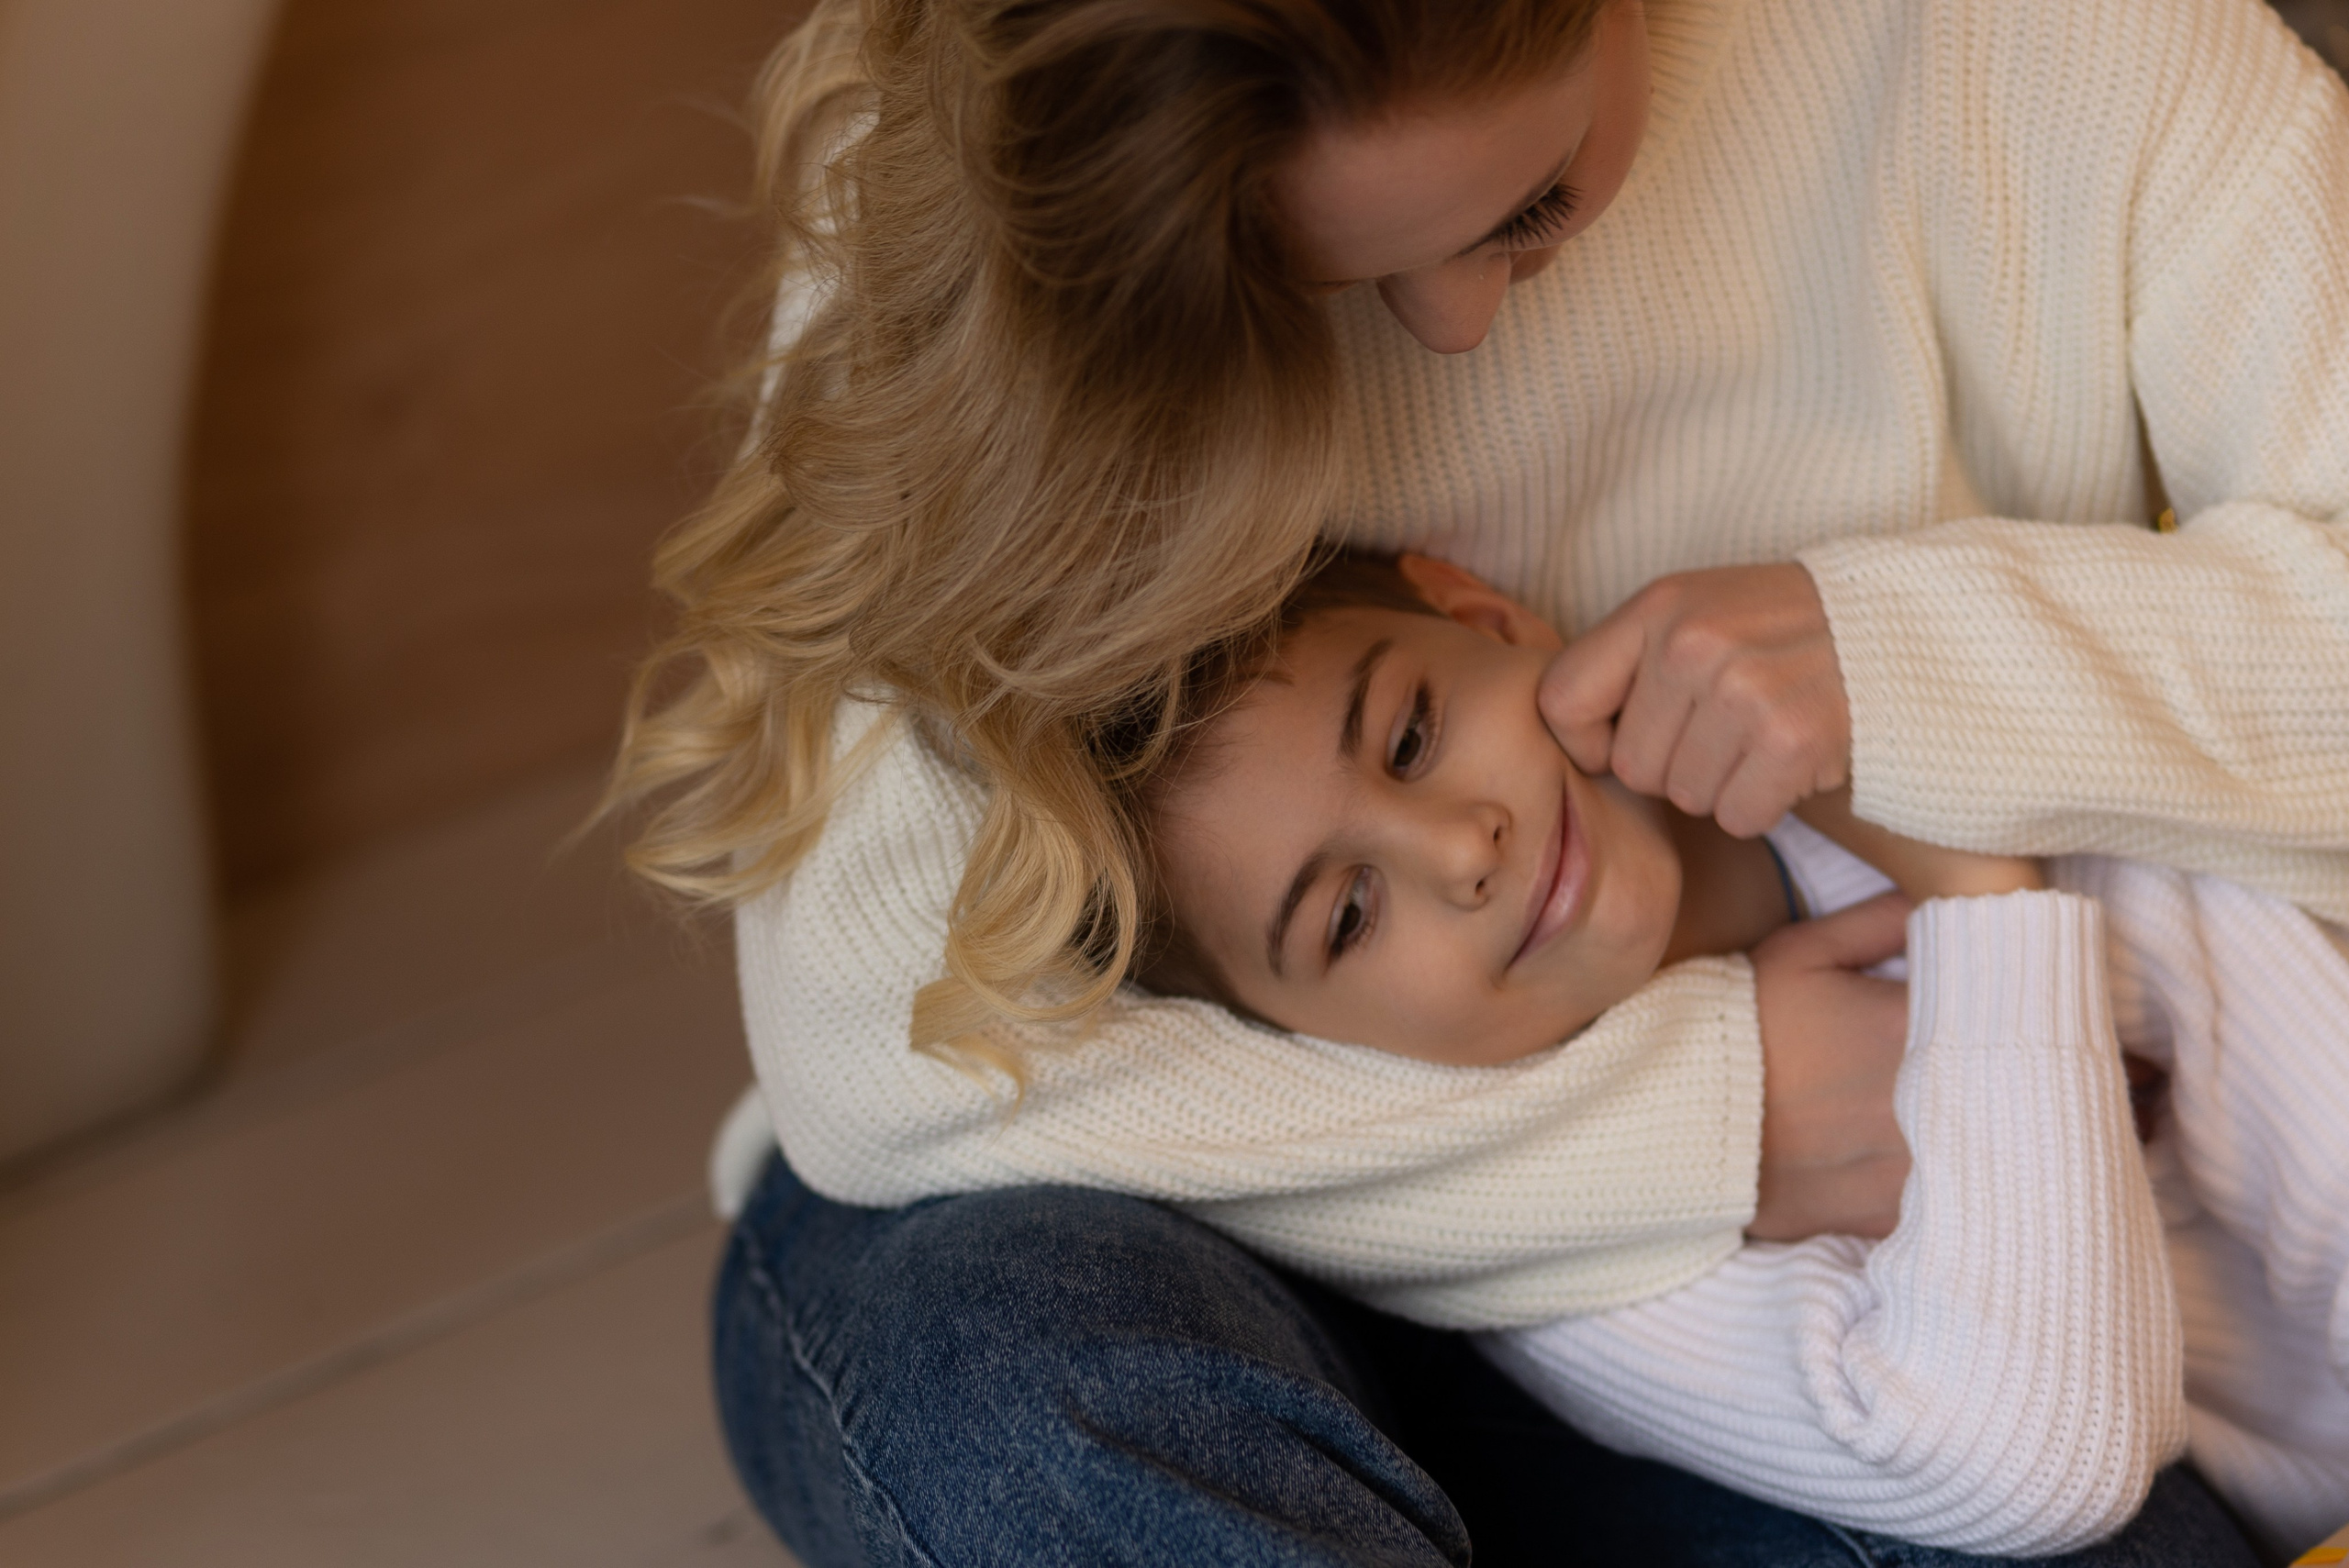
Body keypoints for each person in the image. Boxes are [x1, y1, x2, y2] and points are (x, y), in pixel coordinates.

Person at [607, 0, 2349, 1559]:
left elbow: (2046, 1422)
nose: (1452, 330)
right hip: (1153, 1198)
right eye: (1304, 277)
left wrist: (1909, 670)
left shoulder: (2072, 48)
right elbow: (872, 1048)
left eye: (1526, 205)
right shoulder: (1021, 135)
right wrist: (1705, 1114)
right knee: (1024, 1409)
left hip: (1850, 1219)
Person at [1120, 545, 2349, 1559]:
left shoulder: (1863, 706)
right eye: (1348, 915)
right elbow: (2036, 1459)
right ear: (1312, 1050)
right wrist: (1983, 900)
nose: (1459, 850)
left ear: (1482, 611)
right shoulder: (1576, 1255)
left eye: (1410, 736)